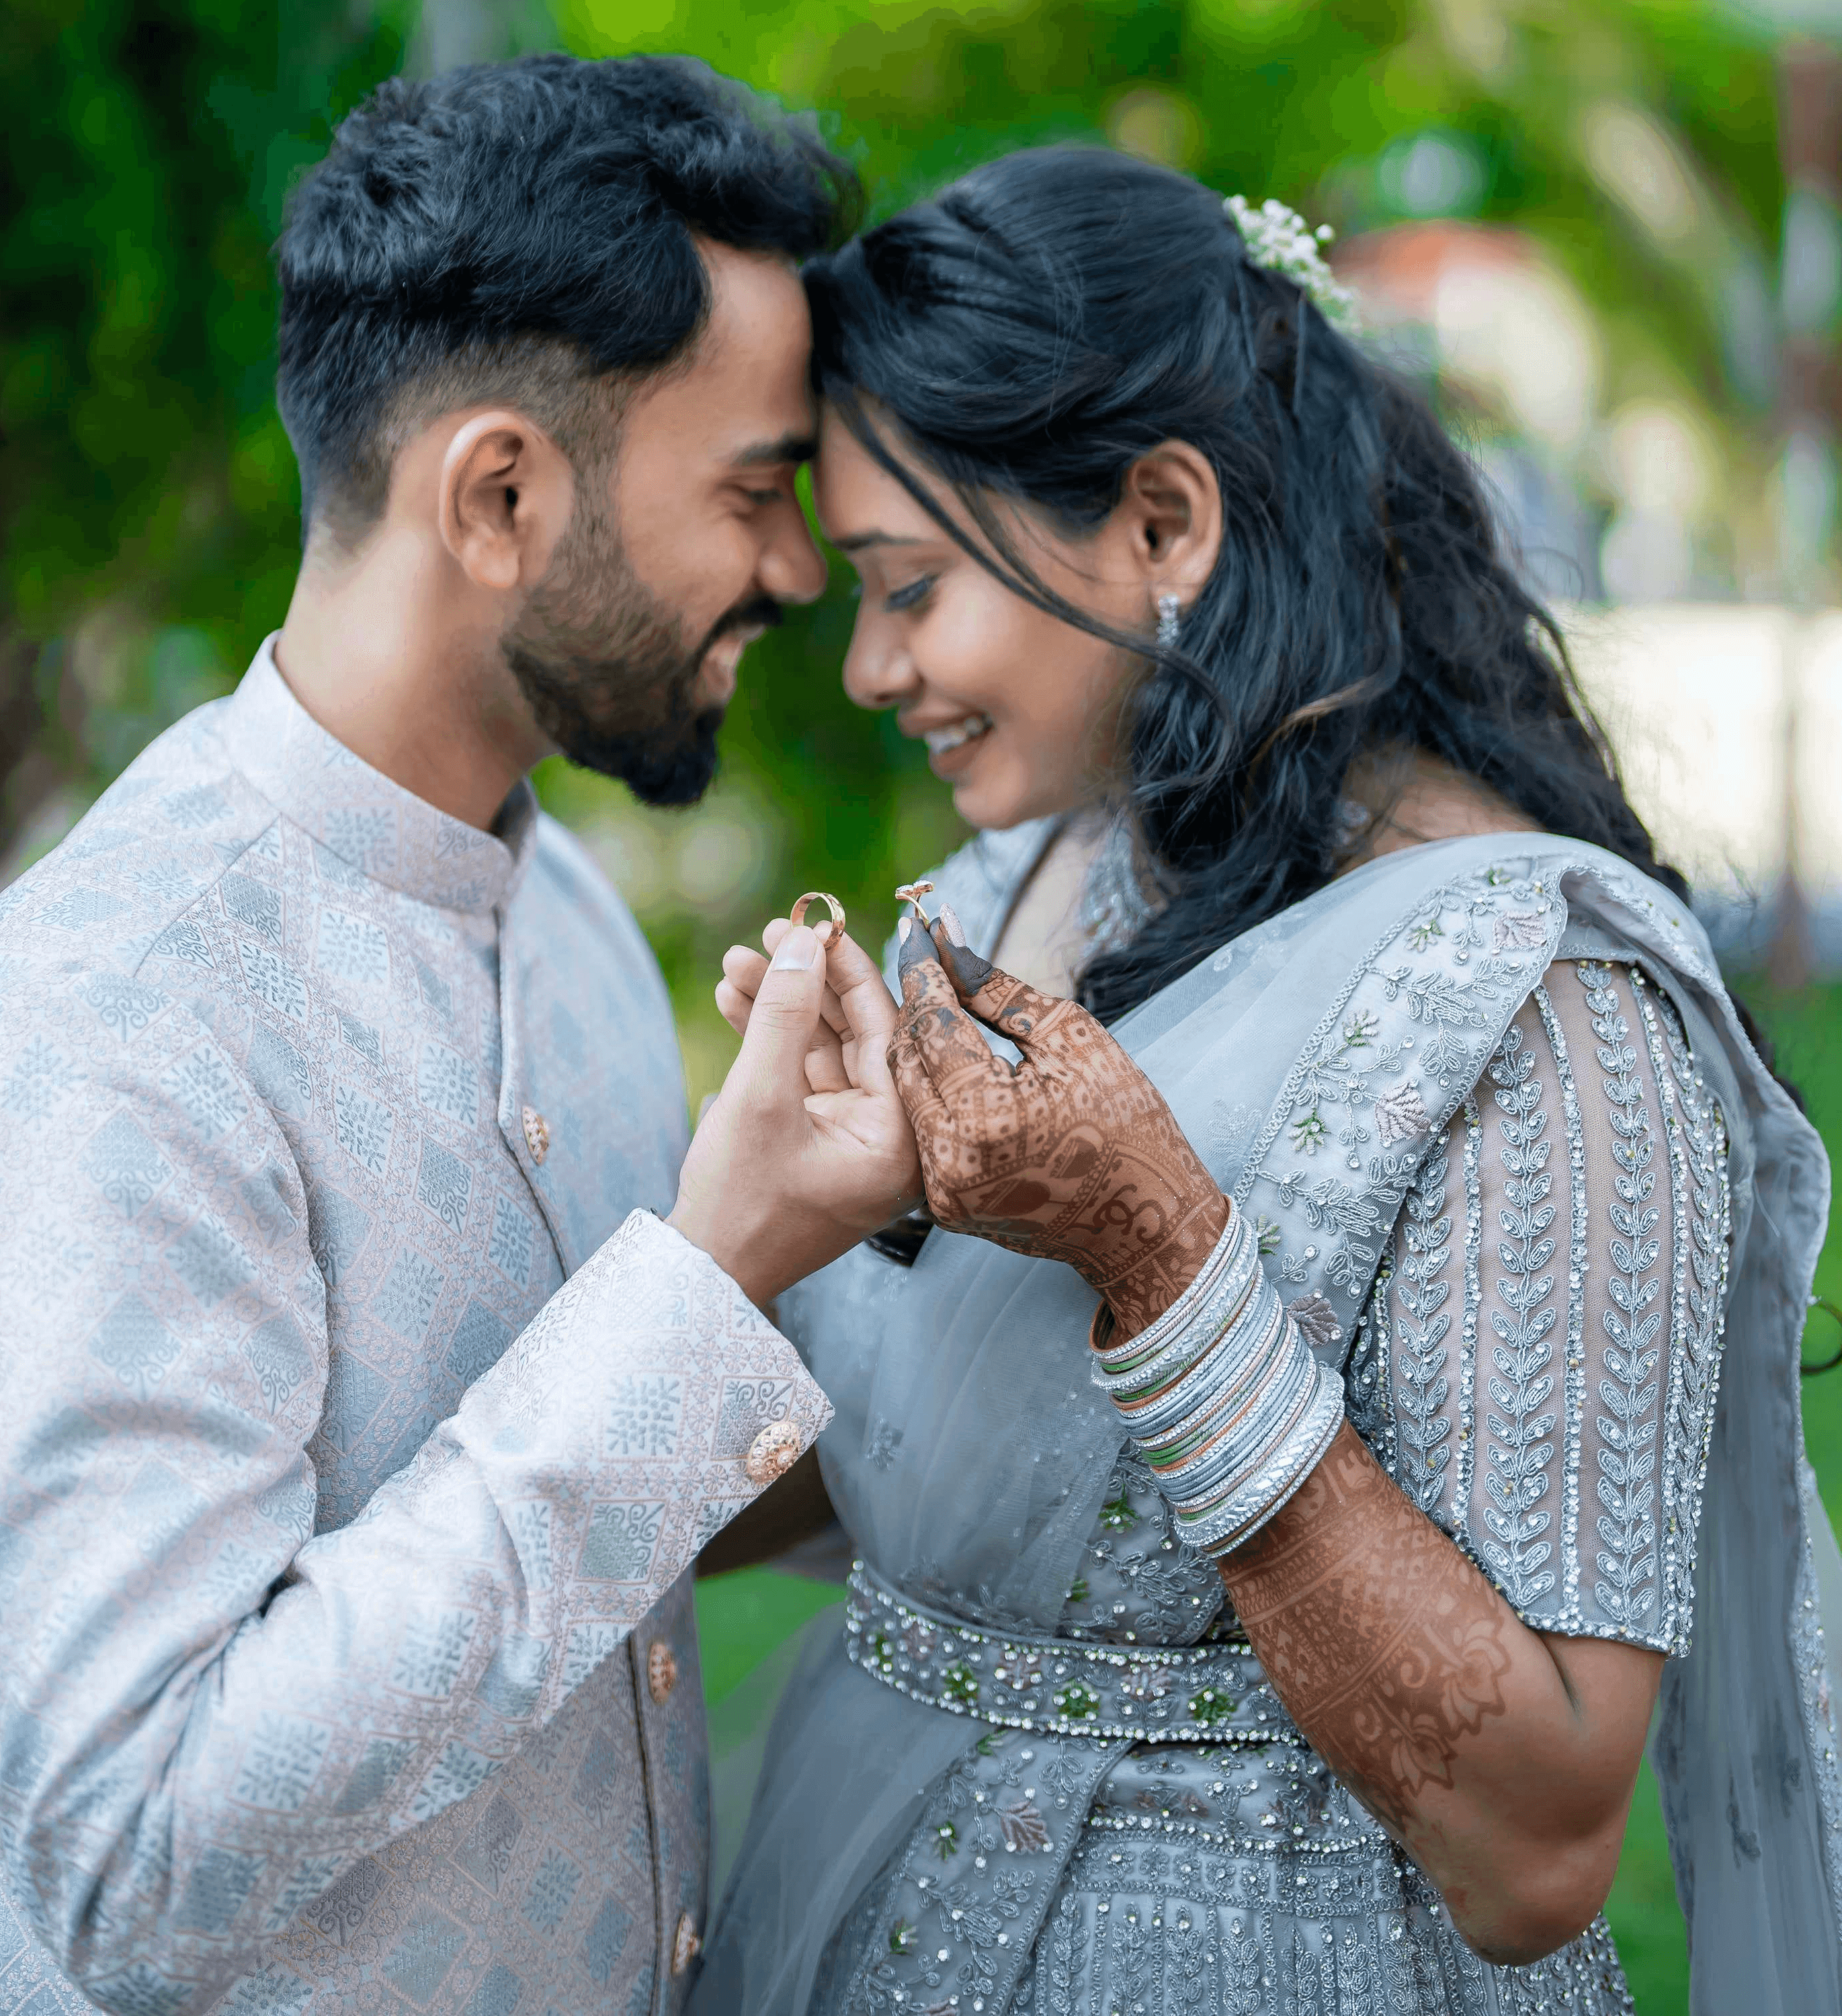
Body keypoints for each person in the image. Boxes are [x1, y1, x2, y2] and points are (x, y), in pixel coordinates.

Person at [692, 150, 1841, 2015]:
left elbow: (1540, 1842)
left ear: (1165, 523)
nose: (875, 663)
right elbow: (906, 1473)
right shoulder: (1021, 883)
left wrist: (1154, 1255)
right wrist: (762, 1237)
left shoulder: (1551, 1009)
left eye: (910, 584)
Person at [0, 54, 921, 2016]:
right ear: (500, 493)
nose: (795, 567)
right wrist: (711, 1278)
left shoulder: (569, 913)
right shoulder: (108, 1024)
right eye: (754, 489)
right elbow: (135, 1852)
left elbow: (609, 1505)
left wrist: (940, 1278)